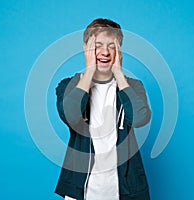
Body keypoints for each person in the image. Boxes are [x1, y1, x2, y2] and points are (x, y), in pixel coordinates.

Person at [55, 18, 151, 200]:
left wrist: (120, 75)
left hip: (126, 189)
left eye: (112, 46)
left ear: (120, 50)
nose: (105, 52)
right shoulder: (69, 85)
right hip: (80, 190)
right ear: (86, 48)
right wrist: (90, 70)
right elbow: (70, 115)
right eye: (98, 45)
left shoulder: (133, 86)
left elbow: (140, 119)